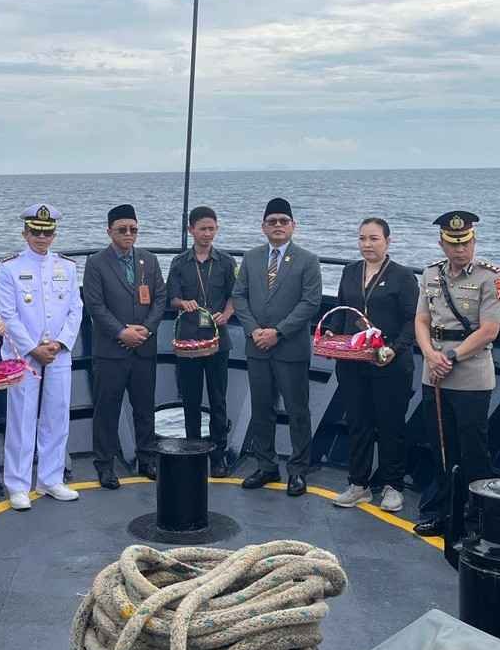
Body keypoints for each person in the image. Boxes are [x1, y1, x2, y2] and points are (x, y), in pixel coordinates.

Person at [410, 211, 500, 538]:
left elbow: (489, 330)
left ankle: (478, 519)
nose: (460, 249)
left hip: (471, 375)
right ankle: (443, 512)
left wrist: (450, 356)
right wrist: (429, 354)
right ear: (442, 244)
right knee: (441, 447)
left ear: (474, 241)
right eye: (453, 244)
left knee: (473, 450)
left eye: (465, 242)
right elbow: (422, 320)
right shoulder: (430, 274)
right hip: (434, 372)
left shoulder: (489, 278)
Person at [0, 204, 83, 510]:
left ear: (54, 235)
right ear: (25, 233)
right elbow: (8, 314)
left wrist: (60, 342)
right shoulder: (10, 268)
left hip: (57, 352)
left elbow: (75, 309)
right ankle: (18, 485)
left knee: (57, 415)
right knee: (21, 418)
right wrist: (33, 348)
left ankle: (50, 478)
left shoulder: (66, 267)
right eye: (36, 232)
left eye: (47, 233)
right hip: (23, 355)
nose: (41, 238)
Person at [233, 197, 323, 497]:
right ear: (263, 227)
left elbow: (310, 302)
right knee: (262, 409)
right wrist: (254, 330)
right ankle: (266, 465)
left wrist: (278, 332)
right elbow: (239, 296)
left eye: (284, 221)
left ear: (293, 225)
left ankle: (298, 470)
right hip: (257, 347)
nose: (278, 226)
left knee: (298, 411)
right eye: (272, 222)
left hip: (290, 349)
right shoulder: (251, 258)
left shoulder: (308, 260)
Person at [327, 218, 417, 513]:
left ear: (388, 242)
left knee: (391, 425)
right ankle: (359, 484)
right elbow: (342, 310)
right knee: (358, 423)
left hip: (390, 363)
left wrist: (394, 349)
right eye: (363, 238)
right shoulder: (350, 271)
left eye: (374, 239)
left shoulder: (403, 276)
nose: (367, 244)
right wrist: (332, 334)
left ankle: (393, 486)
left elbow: (413, 321)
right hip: (354, 363)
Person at [83, 204, 167, 488]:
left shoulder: (149, 260)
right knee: (107, 410)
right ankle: (105, 464)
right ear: (109, 231)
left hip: (144, 347)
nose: (128, 234)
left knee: (144, 408)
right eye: (122, 229)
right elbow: (95, 305)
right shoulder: (96, 263)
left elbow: (160, 298)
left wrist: (147, 328)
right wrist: (121, 332)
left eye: (133, 229)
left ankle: (147, 458)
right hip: (111, 352)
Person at [168, 206, 238, 477]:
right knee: (191, 400)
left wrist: (227, 314)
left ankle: (218, 454)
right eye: (202, 229)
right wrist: (182, 302)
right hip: (188, 341)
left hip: (218, 340)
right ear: (191, 230)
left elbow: (235, 295)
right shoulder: (179, 263)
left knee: (218, 399)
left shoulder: (227, 262)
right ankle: (193, 451)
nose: (207, 234)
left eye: (212, 229)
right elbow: (171, 298)